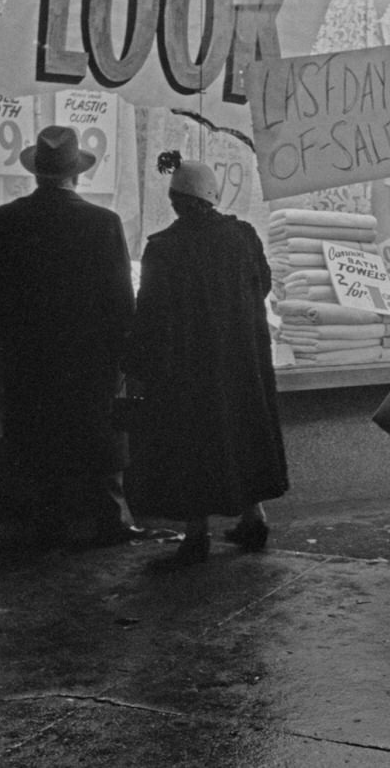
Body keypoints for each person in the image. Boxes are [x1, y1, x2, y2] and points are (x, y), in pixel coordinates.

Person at [123, 151, 288, 568]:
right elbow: (263, 285)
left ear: (175, 200)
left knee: (191, 446)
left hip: (187, 370)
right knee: (242, 434)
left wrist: (137, 367)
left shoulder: (163, 248)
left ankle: (196, 534)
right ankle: (254, 518)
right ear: (214, 197)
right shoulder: (244, 237)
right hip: (241, 363)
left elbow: (150, 313)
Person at [0, 125, 138, 548]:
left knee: (39, 441)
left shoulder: (2, 221)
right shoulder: (103, 223)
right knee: (98, 442)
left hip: (30, 357)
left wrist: (3, 356)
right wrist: (124, 357)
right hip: (90, 359)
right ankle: (110, 520)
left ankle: (46, 521)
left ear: (36, 173)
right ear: (77, 174)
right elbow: (121, 300)